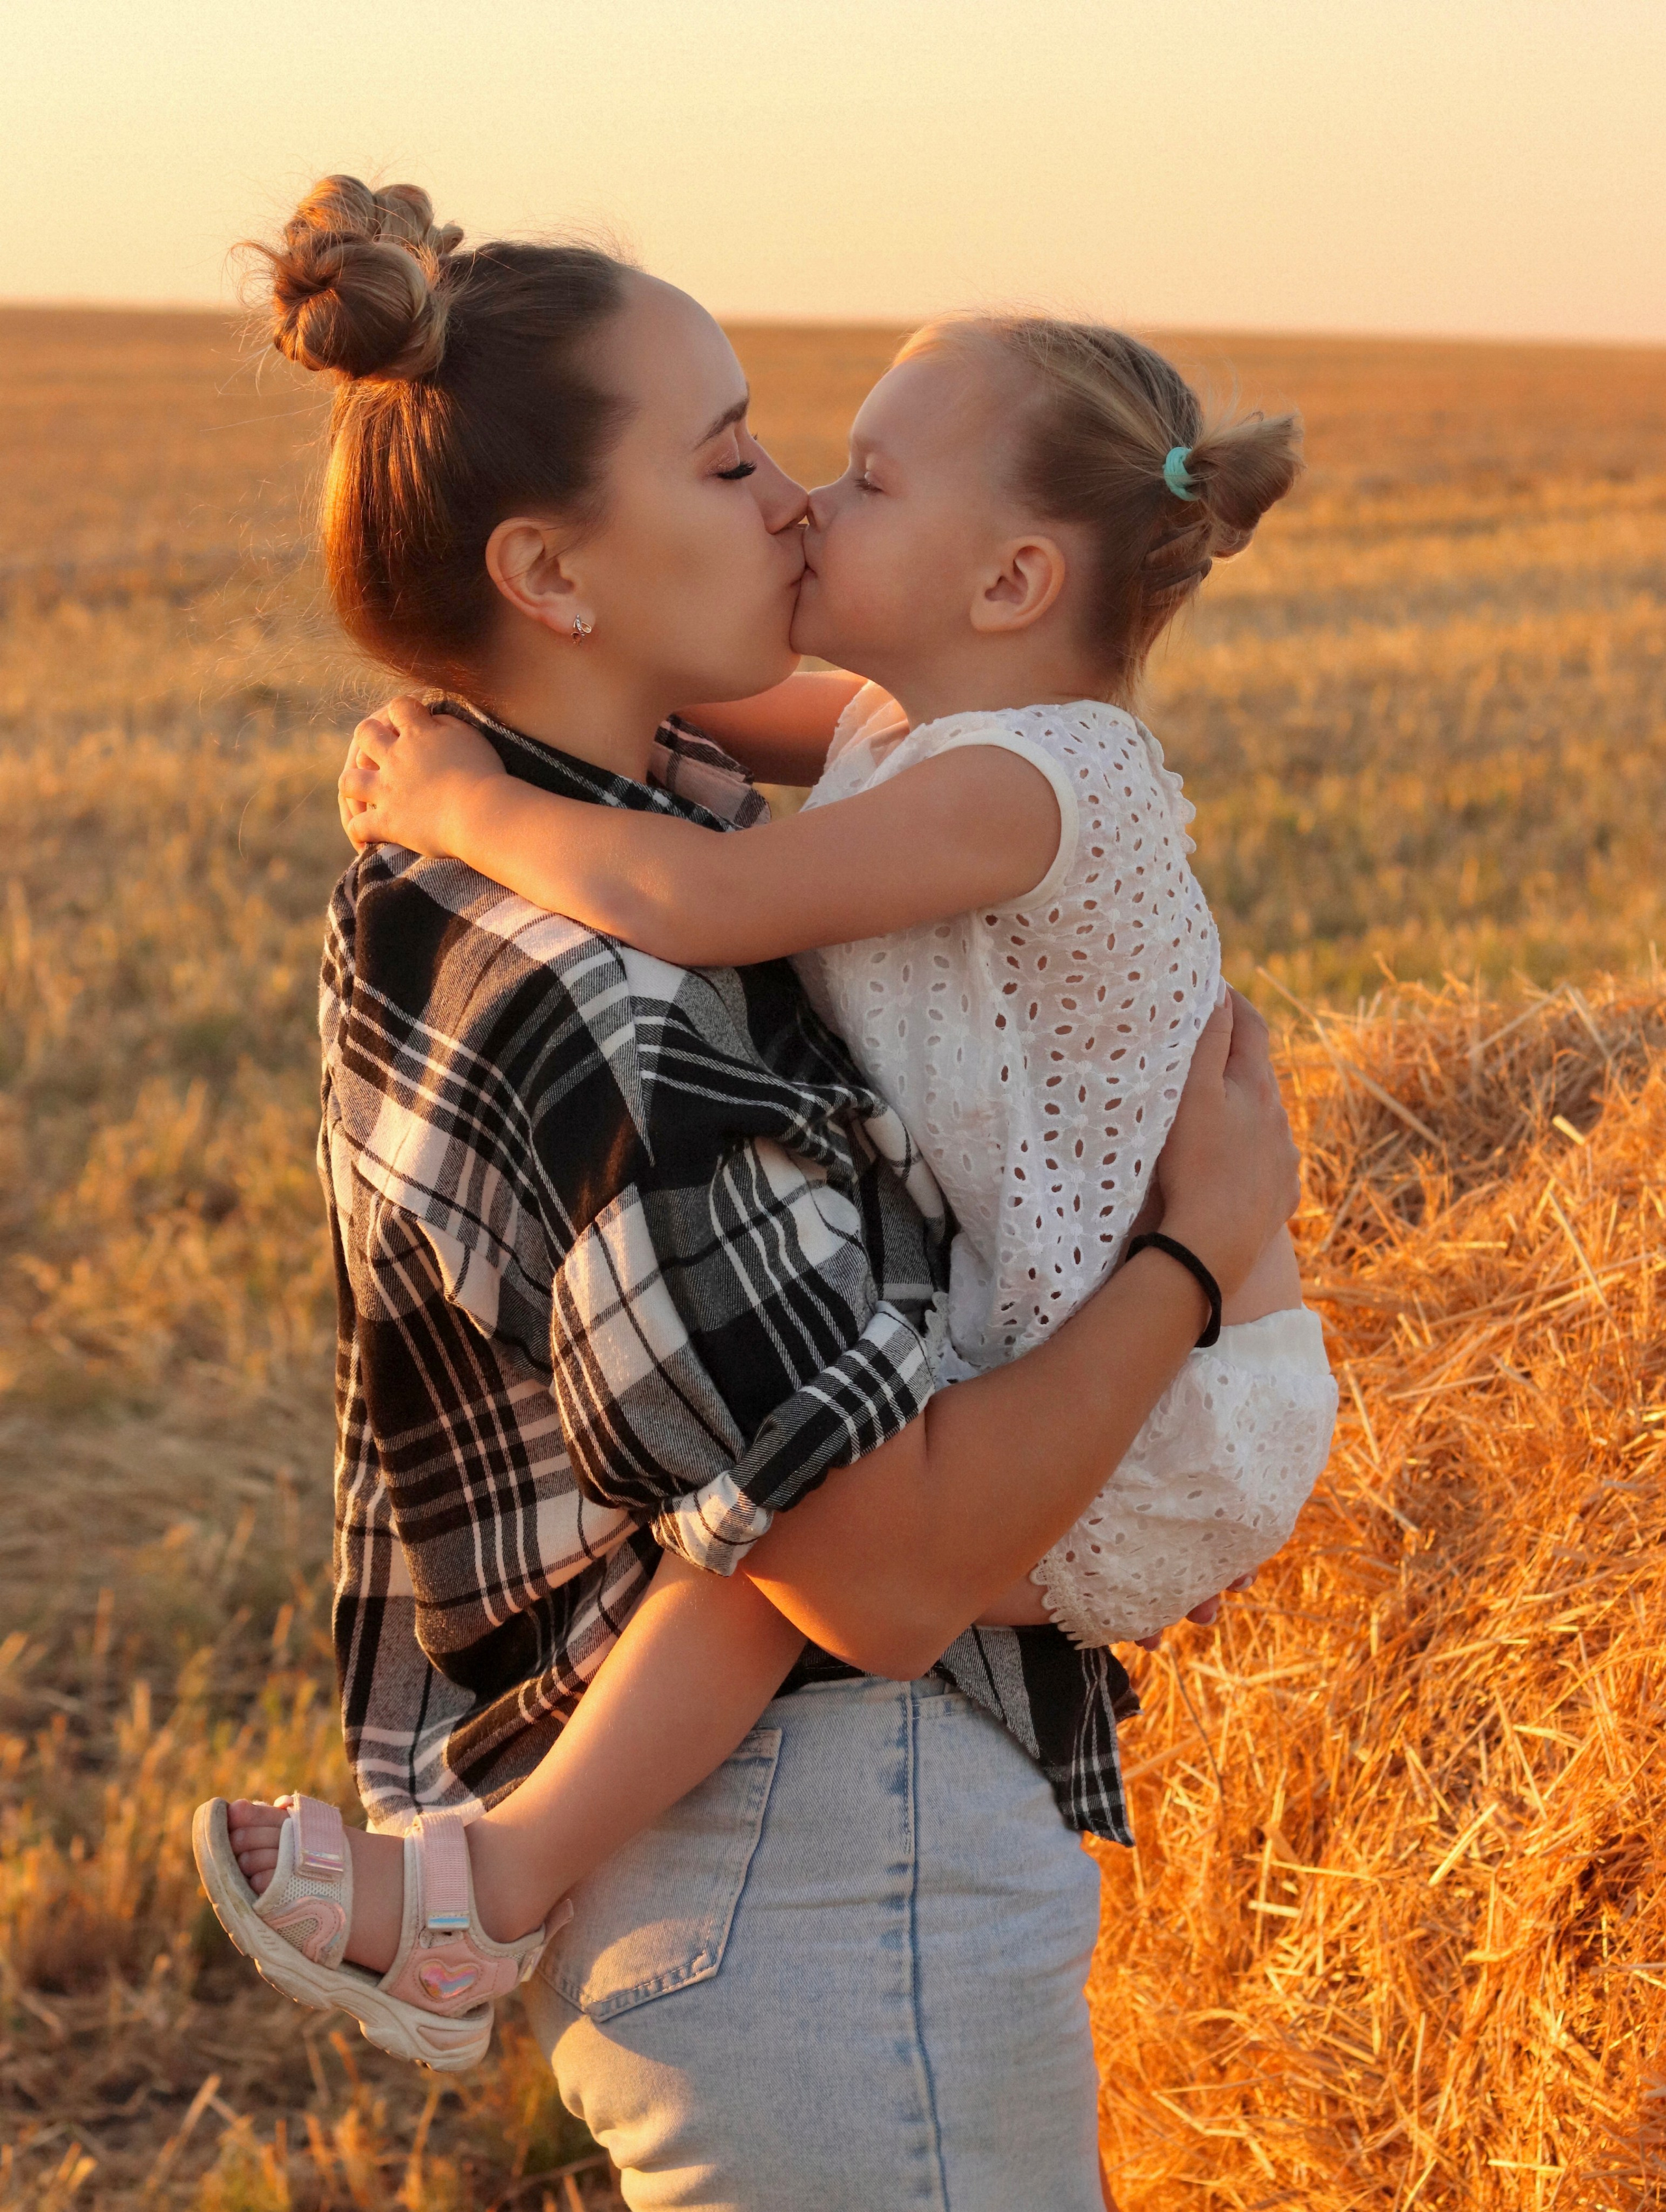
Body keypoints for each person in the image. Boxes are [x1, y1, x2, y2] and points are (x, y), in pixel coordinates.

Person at [192, 178, 1299, 2212]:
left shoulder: (554, 860)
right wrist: (1193, 1255)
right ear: (551, 568)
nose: (795, 504)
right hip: (834, 1873)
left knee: (762, 1516)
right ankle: (490, 1879)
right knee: (772, 1530)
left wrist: (483, 760)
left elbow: (699, 788)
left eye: (834, 471)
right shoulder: (615, 988)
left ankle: (487, 1879)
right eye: (734, 460)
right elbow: (879, 1575)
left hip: (792, 1857)